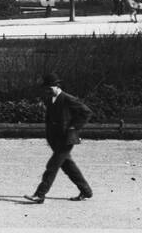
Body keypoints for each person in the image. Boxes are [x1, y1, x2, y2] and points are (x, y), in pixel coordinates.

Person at [25, 74, 94, 203]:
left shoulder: (68, 99)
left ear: (57, 86)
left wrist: (74, 127)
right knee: (69, 167)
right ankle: (86, 191)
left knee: (52, 166)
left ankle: (40, 195)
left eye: (49, 88)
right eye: (46, 88)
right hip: (55, 139)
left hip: (66, 139)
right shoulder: (49, 99)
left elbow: (87, 112)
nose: (47, 90)